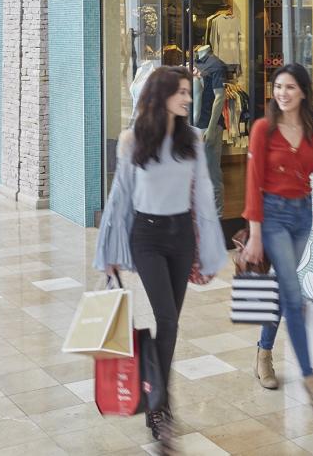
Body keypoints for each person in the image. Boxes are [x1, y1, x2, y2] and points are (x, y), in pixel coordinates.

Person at [94, 66, 227, 448]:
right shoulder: (133, 140)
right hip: (146, 236)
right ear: (161, 94)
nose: (188, 97)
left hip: (181, 235)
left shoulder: (194, 140)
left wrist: (214, 253)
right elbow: (120, 198)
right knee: (165, 316)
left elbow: (203, 195)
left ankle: (156, 398)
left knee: (169, 325)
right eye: (181, 92)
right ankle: (159, 404)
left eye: (189, 91)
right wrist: (108, 251)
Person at [242, 62, 313, 413]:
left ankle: (263, 351)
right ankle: (310, 378)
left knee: (283, 289)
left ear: (303, 92)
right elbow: (253, 184)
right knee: (293, 292)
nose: (282, 93)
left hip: (301, 217)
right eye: (277, 87)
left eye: (289, 88)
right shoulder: (263, 129)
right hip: (271, 217)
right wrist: (254, 234)